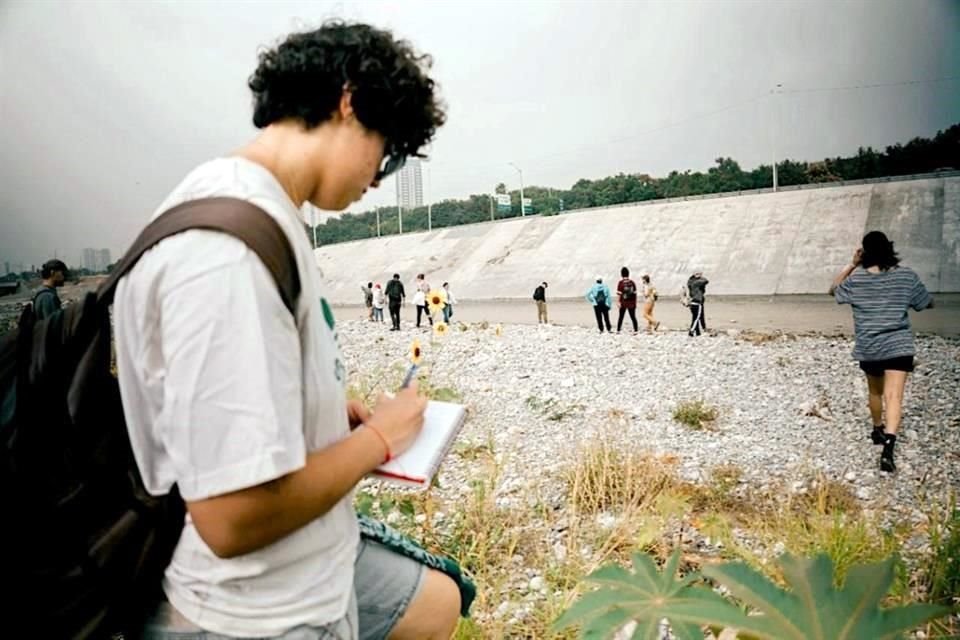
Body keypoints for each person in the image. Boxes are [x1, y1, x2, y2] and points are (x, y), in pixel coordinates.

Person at [113, 21, 460, 639]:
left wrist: (324, 419)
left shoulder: (268, 214)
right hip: (257, 613)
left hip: (308, 573)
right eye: (389, 150)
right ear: (350, 101)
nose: (379, 177)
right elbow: (231, 518)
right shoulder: (225, 254)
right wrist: (379, 440)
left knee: (437, 602)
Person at [830, 231, 934, 473]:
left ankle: (877, 429)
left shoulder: (857, 281)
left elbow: (834, 290)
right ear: (890, 248)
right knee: (894, 397)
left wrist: (851, 265)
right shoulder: (906, 277)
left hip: (871, 347)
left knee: (875, 392)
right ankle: (889, 446)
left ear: (864, 253)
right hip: (899, 345)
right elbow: (925, 302)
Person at [615, 267, 639, 333]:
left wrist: (618, 302)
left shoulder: (620, 283)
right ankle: (636, 330)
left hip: (623, 303)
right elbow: (635, 294)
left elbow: (619, 294)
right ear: (628, 274)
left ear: (621, 274)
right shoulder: (632, 283)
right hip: (631, 303)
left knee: (621, 317)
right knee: (633, 317)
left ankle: (618, 330)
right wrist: (635, 303)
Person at [687, 271, 709, 336]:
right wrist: (700, 276)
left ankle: (698, 332)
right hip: (697, 302)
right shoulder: (696, 283)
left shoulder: (690, 282)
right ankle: (691, 331)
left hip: (692, 302)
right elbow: (706, 281)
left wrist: (695, 276)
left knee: (694, 317)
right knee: (697, 318)